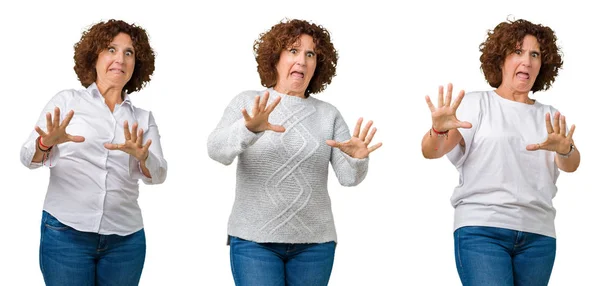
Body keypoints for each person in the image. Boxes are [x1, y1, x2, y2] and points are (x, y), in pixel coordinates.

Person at [207, 19, 382, 285]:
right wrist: (249, 129)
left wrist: (358, 159)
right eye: (293, 51)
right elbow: (217, 151)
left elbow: (348, 178)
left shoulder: (328, 114)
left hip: (315, 245)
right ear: (275, 58)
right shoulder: (248, 101)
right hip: (255, 241)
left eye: (310, 54)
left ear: (317, 65)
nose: (302, 60)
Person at [421, 19, 579, 285]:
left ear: (543, 64)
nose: (526, 61)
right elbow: (432, 151)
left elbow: (572, 163)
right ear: (501, 59)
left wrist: (566, 149)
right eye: (517, 52)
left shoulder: (549, 115)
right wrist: (437, 130)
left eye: (534, 54)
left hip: (538, 237)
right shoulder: (476, 104)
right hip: (482, 231)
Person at [19, 19, 167, 286]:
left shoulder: (143, 119)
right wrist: (46, 143)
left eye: (129, 52)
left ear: (137, 64)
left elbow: (159, 175)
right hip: (66, 234)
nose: (120, 58)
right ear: (94, 56)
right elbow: (27, 158)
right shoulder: (67, 102)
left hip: (126, 241)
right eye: (111, 49)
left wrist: (143, 157)